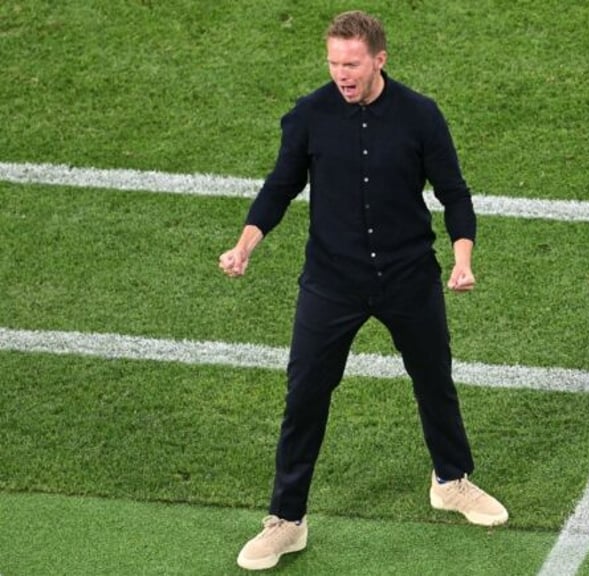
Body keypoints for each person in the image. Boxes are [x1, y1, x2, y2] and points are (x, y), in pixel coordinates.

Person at [219, 10, 508, 571]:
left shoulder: (421, 116)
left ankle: (451, 481)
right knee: (304, 395)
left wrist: (462, 258)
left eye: (351, 64)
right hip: (332, 282)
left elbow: (455, 192)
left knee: (434, 379)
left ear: (380, 59)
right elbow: (279, 186)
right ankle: (286, 521)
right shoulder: (309, 115)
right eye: (333, 64)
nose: (341, 74)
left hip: (408, 276)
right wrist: (245, 244)